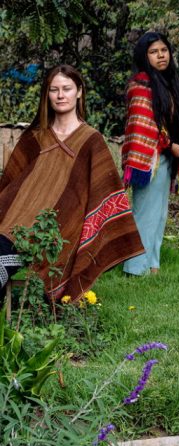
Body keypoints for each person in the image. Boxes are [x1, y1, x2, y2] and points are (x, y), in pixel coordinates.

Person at [0, 65, 143, 302]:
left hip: (60, 228)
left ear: (79, 92)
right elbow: (10, 184)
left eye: (66, 89)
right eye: (53, 89)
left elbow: (104, 191)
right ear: (47, 94)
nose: (60, 95)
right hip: (16, 223)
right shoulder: (35, 136)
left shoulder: (91, 140)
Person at [122, 32, 179, 275]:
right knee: (146, 213)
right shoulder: (140, 85)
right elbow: (144, 125)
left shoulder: (167, 83)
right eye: (153, 52)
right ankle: (134, 267)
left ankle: (152, 264)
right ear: (144, 56)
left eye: (164, 50)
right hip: (148, 159)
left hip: (165, 157)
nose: (161, 55)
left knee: (159, 214)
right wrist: (170, 144)